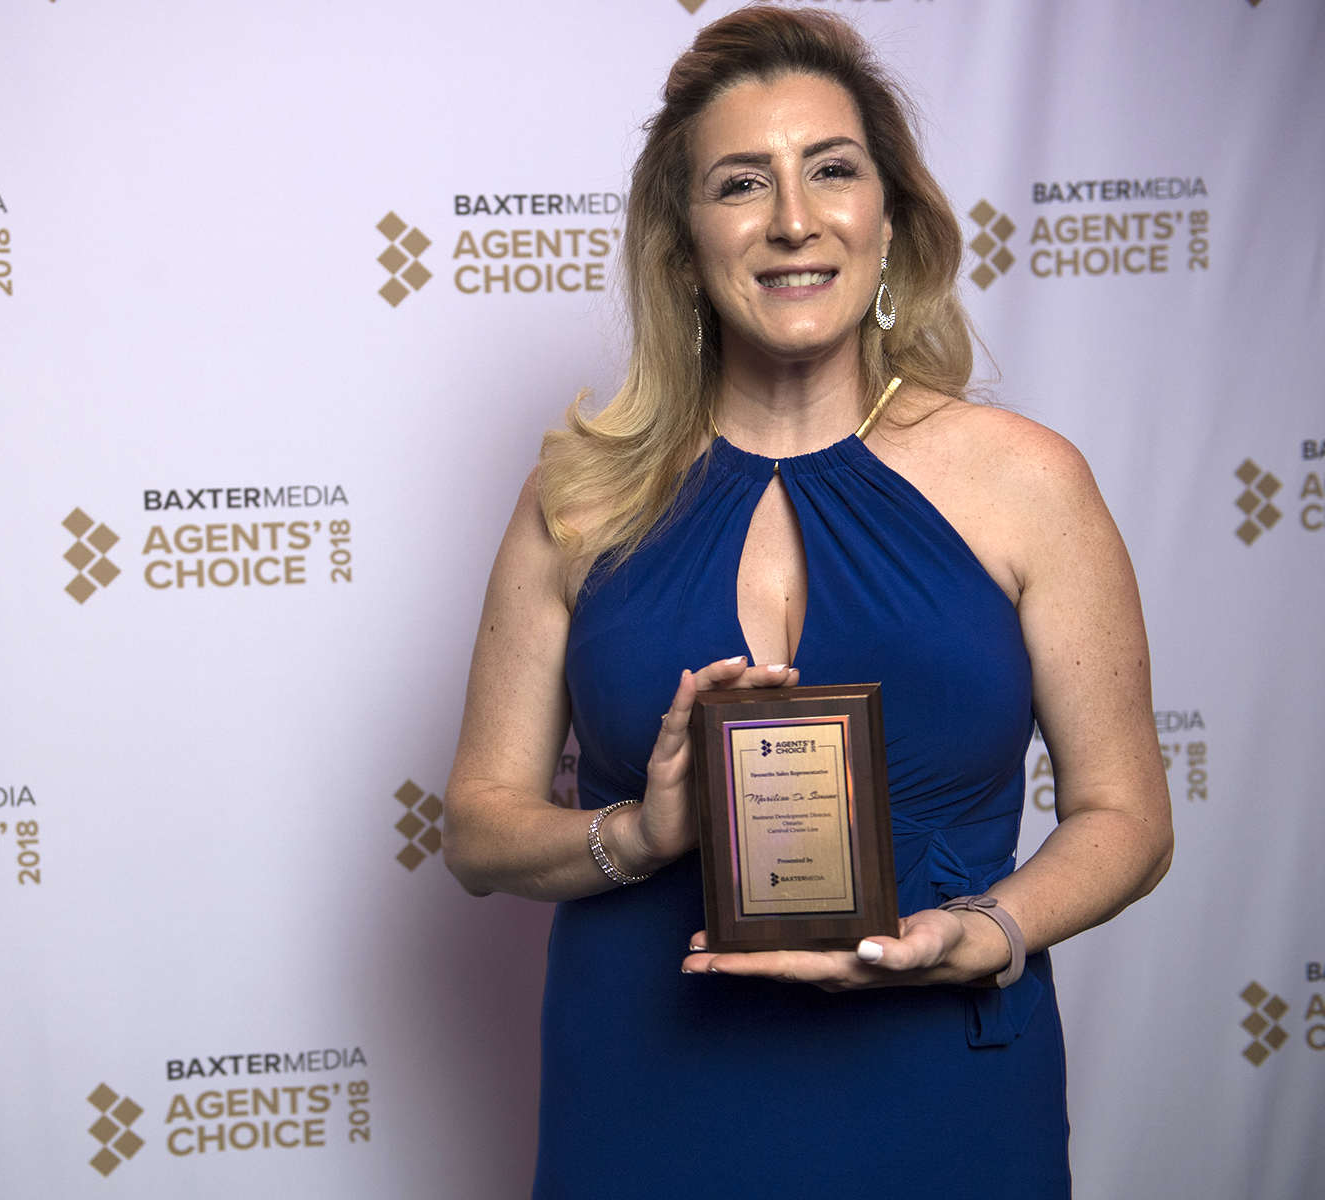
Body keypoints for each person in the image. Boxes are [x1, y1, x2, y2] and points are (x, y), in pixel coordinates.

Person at [441, 6, 1174, 1198]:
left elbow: (1127, 817)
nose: (793, 218)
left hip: (940, 1096)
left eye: (832, 169)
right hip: (644, 1096)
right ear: (685, 241)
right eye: (741, 182)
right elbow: (476, 829)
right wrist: (637, 835)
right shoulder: (578, 500)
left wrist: (983, 933)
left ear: (890, 215)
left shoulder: (1029, 482)